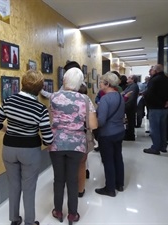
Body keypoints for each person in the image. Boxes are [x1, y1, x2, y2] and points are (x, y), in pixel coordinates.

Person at [0, 70, 53, 225]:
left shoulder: (8, 101)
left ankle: (14, 219)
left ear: (23, 84)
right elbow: (48, 139)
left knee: (13, 185)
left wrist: (8, 130)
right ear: (39, 88)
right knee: (29, 188)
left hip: (9, 149)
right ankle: (30, 222)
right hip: (30, 151)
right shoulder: (40, 109)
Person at [49, 67, 98, 224]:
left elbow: (50, 120)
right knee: (73, 179)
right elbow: (93, 125)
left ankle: (57, 211)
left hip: (56, 143)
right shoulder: (84, 99)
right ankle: (72, 214)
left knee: (58, 179)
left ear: (64, 80)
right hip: (77, 144)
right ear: (80, 82)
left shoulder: (54, 97)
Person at [95, 72, 125, 197]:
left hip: (107, 134)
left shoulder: (105, 99)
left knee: (108, 161)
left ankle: (110, 188)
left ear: (107, 84)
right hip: (119, 131)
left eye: (101, 82)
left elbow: (101, 121)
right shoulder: (119, 96)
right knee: (118, 157)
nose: (100, 84)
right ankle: (120, 184)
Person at [143, 64, 168, 155]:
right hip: (165, 107)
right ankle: (163, 146)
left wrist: (146, 101)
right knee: (163, 127)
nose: (150, 72)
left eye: (151, 70)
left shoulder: (154, 80)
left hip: (155, 107)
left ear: (156, 71)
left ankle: (155, 147)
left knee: (155, 128)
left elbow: (150, 94)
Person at [122, 75, 139, 141]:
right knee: (129, 122)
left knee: (130, 121)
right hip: (128, 106)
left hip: (130, 107)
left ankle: (130, 136)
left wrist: (125, 105)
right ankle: (128, 134)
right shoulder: (130, 86)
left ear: (133, 80)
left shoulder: (134, 86)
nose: (127, 78)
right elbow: (123, 93)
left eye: (129, 78)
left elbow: (131, 98)